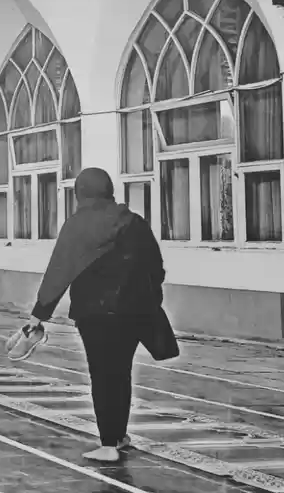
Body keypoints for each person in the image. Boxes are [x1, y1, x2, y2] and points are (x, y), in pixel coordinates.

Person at [15, 166, 169, 464]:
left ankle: (108, 444)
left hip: (94, 314)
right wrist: (148, 298)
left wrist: (38, 317)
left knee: (102, 375)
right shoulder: (134, 222)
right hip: (133, 311)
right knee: (121, 372)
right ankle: (120, 436)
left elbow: (58, 272)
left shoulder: (78, 225)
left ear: (80, 193)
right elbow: (156, 268)